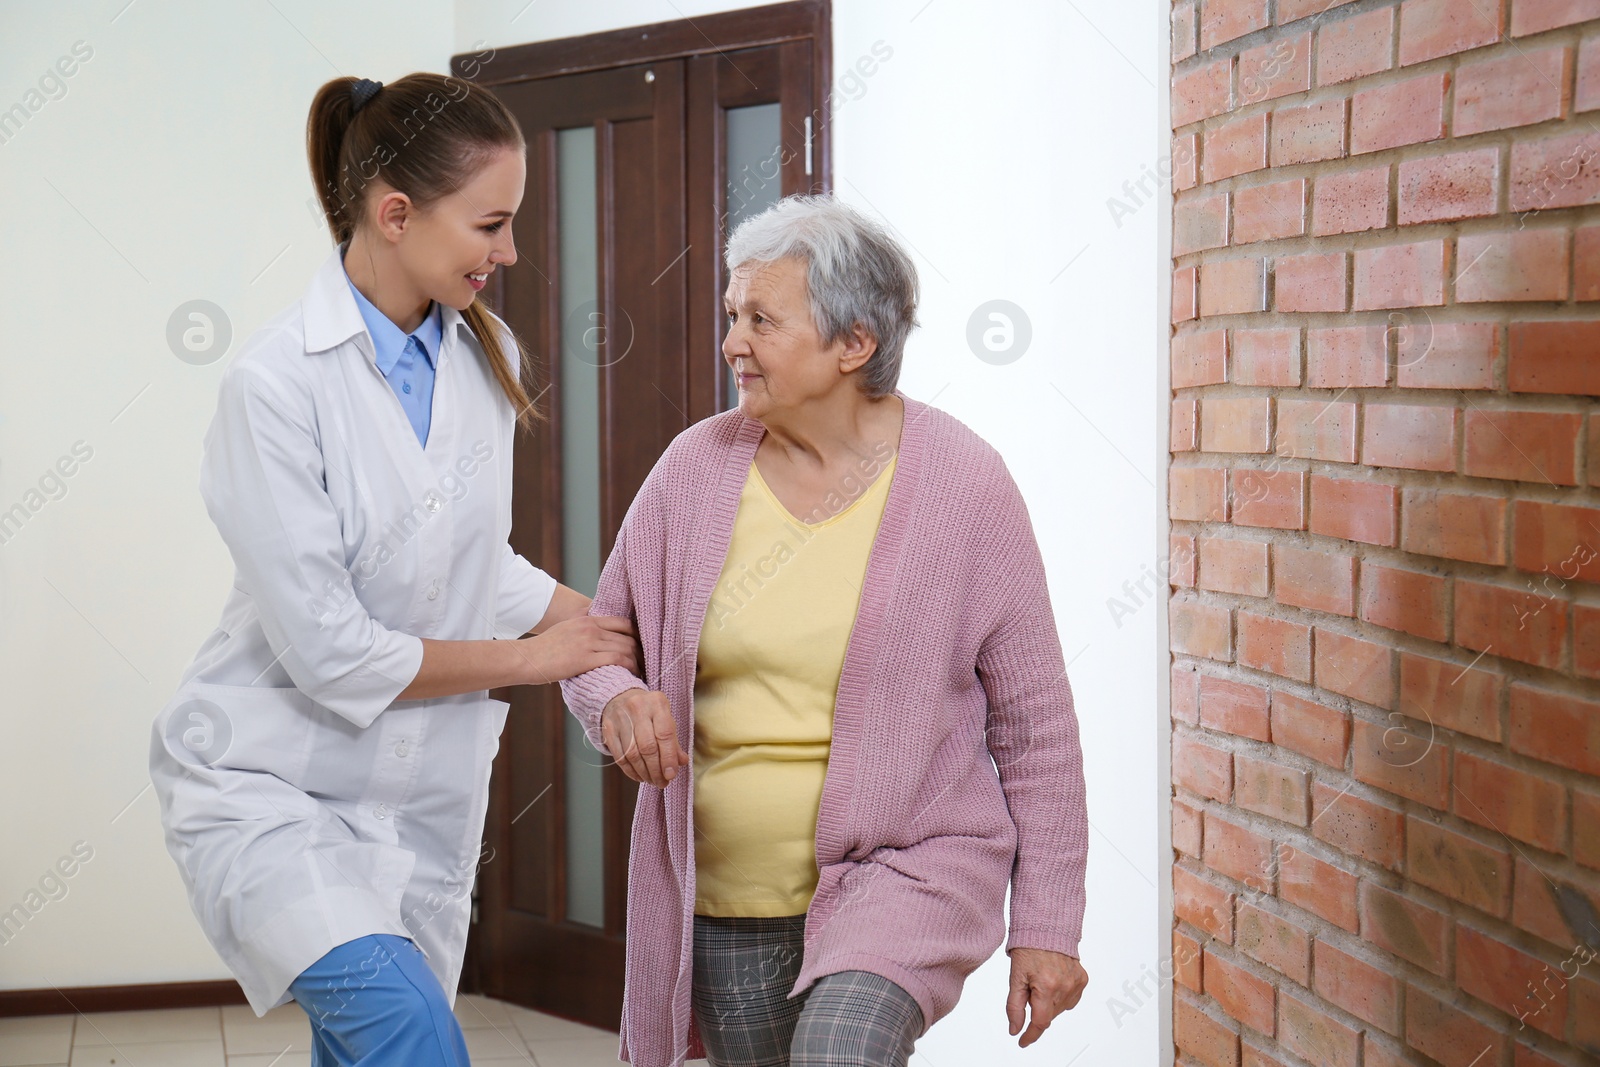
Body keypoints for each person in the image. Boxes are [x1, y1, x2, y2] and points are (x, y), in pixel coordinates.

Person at [148, 72, 637, 1067]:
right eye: (490, 224)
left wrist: (614, 623)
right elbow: (332, 651)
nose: (508, 251)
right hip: (268, 789)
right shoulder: (276, 387)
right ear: (395, 211)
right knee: (414, 1033)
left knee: (374, 1048)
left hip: (412, 809)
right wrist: (538, 657)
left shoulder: (482, 350)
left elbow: (471, 560)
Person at [560, 194, 1090, 1067]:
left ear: (855, 344)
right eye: (733, 316)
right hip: (725, 890)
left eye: (762, 320)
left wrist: (1048, 921)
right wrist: (615, 699)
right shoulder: (693, 471)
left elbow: (1035, 725)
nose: (733, 342)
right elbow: (602, 636)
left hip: (909, 867)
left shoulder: (964, 484)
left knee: (839, 1054)